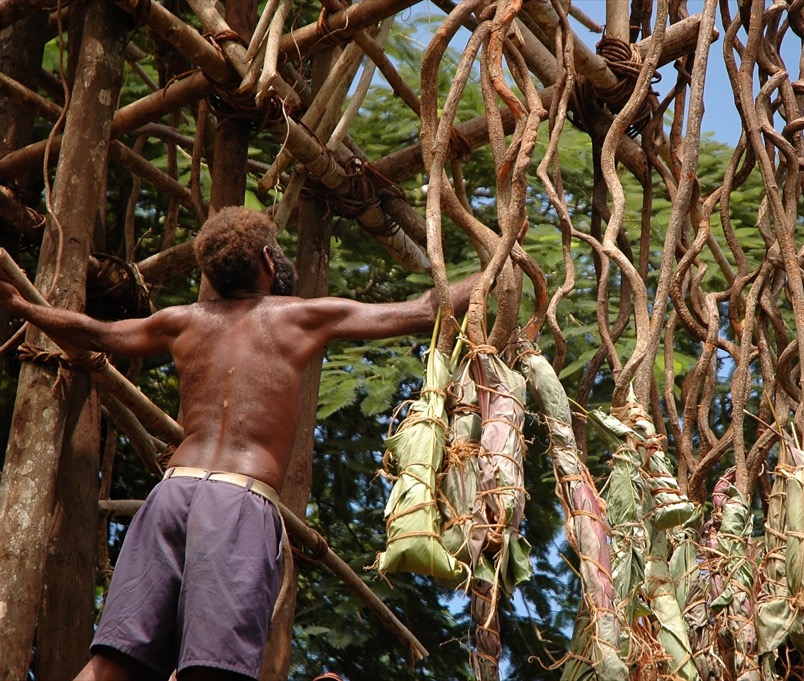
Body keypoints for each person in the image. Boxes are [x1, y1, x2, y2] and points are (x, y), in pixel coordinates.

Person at [0, 206, 481, 681]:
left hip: (170, 495)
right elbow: (425, 310)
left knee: (113, 665)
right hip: (236, 502)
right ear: (269, 261)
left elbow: (97, 331)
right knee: (214, 670)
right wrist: (501, 264)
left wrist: (23, 307)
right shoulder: (300, 317)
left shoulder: (183, 321)